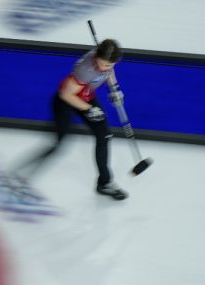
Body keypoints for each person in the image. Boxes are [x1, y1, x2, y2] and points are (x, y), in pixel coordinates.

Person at [12, 39, 128, 200]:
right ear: (96, 58)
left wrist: (114, 89)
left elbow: (108, 71)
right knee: (57, 145)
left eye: (109, 65)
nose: (104, 68)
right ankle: (20, 175)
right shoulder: (85, 70)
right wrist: (89, 109)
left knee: (104, 136)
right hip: (65, 102)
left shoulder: (106, 63)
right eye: (102, 64)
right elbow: (66, 94)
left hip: (86, 97)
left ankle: (104, 183)